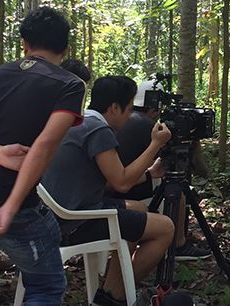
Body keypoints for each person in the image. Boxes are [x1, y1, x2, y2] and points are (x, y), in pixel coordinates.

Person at [0, 7, 86, 306]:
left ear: (24, 43)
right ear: (65, 48)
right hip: (9, 201)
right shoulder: (70, 85)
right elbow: (44, 146)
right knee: (45, 285)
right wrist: (9, 207)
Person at [42, 76, 175, 306]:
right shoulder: (98, 130)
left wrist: (150, 174)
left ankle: (112, 290)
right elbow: (121, 183)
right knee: (165, 228)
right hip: (74, 222)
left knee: (138, 209)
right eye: (129, 109)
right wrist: (156, 144)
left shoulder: (78, 122)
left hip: (55, 215)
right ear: (114, 107)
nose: (130, 116)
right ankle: (118, 293)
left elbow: (113, 180)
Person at [111, 80, 212, 261]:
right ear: (154, 108)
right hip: (128, 191)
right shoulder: (148, 126)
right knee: (179, 192)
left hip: (114, 186)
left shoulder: (124, 120)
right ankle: (179, 244)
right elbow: (191, 167)